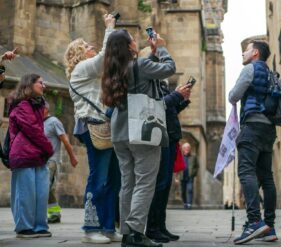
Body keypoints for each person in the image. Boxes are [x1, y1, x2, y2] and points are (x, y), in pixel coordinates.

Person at [101, 29, 176, 247]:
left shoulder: (112, 71)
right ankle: (135, 231)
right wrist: (161, 47)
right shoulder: (140, 66)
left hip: (120, 131)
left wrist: (152, 54)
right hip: (142, 128)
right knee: (145, 181)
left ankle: (126, 232)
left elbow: (143, 77)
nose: (136, 42)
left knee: (128, 183)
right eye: (132, 40)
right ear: (128, 46)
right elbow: (170, 69)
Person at [64, 14, 121, 244]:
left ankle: (108, 226)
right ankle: (90, 227)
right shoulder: (80, 70)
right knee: (98, 178)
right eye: (86, 46)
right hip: (93, 127)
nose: (91, 47)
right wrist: (109, 27)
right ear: (78, 53)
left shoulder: (89, 73)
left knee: (113, 179)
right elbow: (102, 58)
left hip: (104, 127)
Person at [229, 40, 278, 244]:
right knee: (266, 177)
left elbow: (234, 95)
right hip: (268, 129)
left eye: (246, 50)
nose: (243, 53)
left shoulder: (250, 69)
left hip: (252, 126)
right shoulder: (271, 73)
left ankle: (254, 222)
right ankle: (269, 226)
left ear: (255, 53)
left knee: (246, 171)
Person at [141, 47, 191, 243]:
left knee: (166, 184)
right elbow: (157, 107)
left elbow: (168, 110)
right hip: (160, 136)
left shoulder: (159, 83)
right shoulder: (149, 82)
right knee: (160, 184)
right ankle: (152, 227)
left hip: (169, 135)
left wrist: (182, 101)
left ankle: (160, 226)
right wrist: (176, 95)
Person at [8, 74, 54, 238]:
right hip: (23, 154)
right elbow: (33, 130)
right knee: (25, 193)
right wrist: (49, 147)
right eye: (40, 83)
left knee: (41, 193)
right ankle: (24, 227)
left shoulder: (37, 104)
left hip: (38, 155)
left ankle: (40, 225)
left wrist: (44, 150)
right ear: (30, 84)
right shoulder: (22, 105)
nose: (44, 86)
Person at [43, 102, 78, 223]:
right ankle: (55, 213)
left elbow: (65, 140)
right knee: (47, 188)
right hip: (40, 161)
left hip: (51, 160)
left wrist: (72, 157)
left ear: (45, 109)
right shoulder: (39, 122)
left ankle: (47, 214)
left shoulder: (54, 121)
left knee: (45, 187)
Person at [180, 143, 198, 210]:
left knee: (190, 190)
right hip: (182, 177)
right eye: (185, 148)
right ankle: (185, 203)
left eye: (188, 148)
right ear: (183, 149)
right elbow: (177, 166)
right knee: (183, 191)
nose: (187, 149)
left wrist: (194, 173)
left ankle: (189, 204)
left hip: (190, 177)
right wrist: (176, 177)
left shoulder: (193, 157)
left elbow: (197, 166)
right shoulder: (181, 157)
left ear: (190, 149)